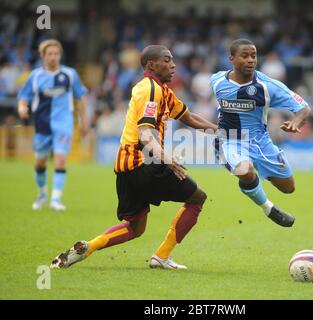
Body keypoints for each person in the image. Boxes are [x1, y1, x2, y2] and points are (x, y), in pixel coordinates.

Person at [50, 45, 218, 270]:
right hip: (145, 162)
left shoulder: (160, 90)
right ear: (151, 64)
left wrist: (218, 130)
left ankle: (89, 247)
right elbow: (145, 133)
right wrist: (164, 157)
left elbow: (188, 117)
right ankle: (162, 256)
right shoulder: (151, 90)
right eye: (167, 60)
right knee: (197, 197)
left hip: (125, 166)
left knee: (135, 228)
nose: (173, 65)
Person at [210, 39, 311, 227]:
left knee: (288, 188)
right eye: (245, 55)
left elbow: (304, 108)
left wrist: (296, 121)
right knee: (245, 170)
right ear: (232, 59)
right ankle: (268, 208)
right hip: (230, 140)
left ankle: (249, 173)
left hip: (261, 142)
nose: (251, 60)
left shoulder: (267, 86)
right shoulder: (217, 81)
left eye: (254, 56)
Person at [17, 39, 88, 211]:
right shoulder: (35, 76)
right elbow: (24, 96)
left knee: (61, 160)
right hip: (42, 124)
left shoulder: (70, 75)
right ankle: (42, 194)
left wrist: (84, 121)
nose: (53, 57)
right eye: (50, 54)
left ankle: (55, 199)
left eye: (56, 54)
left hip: (64, 124)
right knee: (40, 162)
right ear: (42, 56)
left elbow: (82, 97)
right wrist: (22, 108)